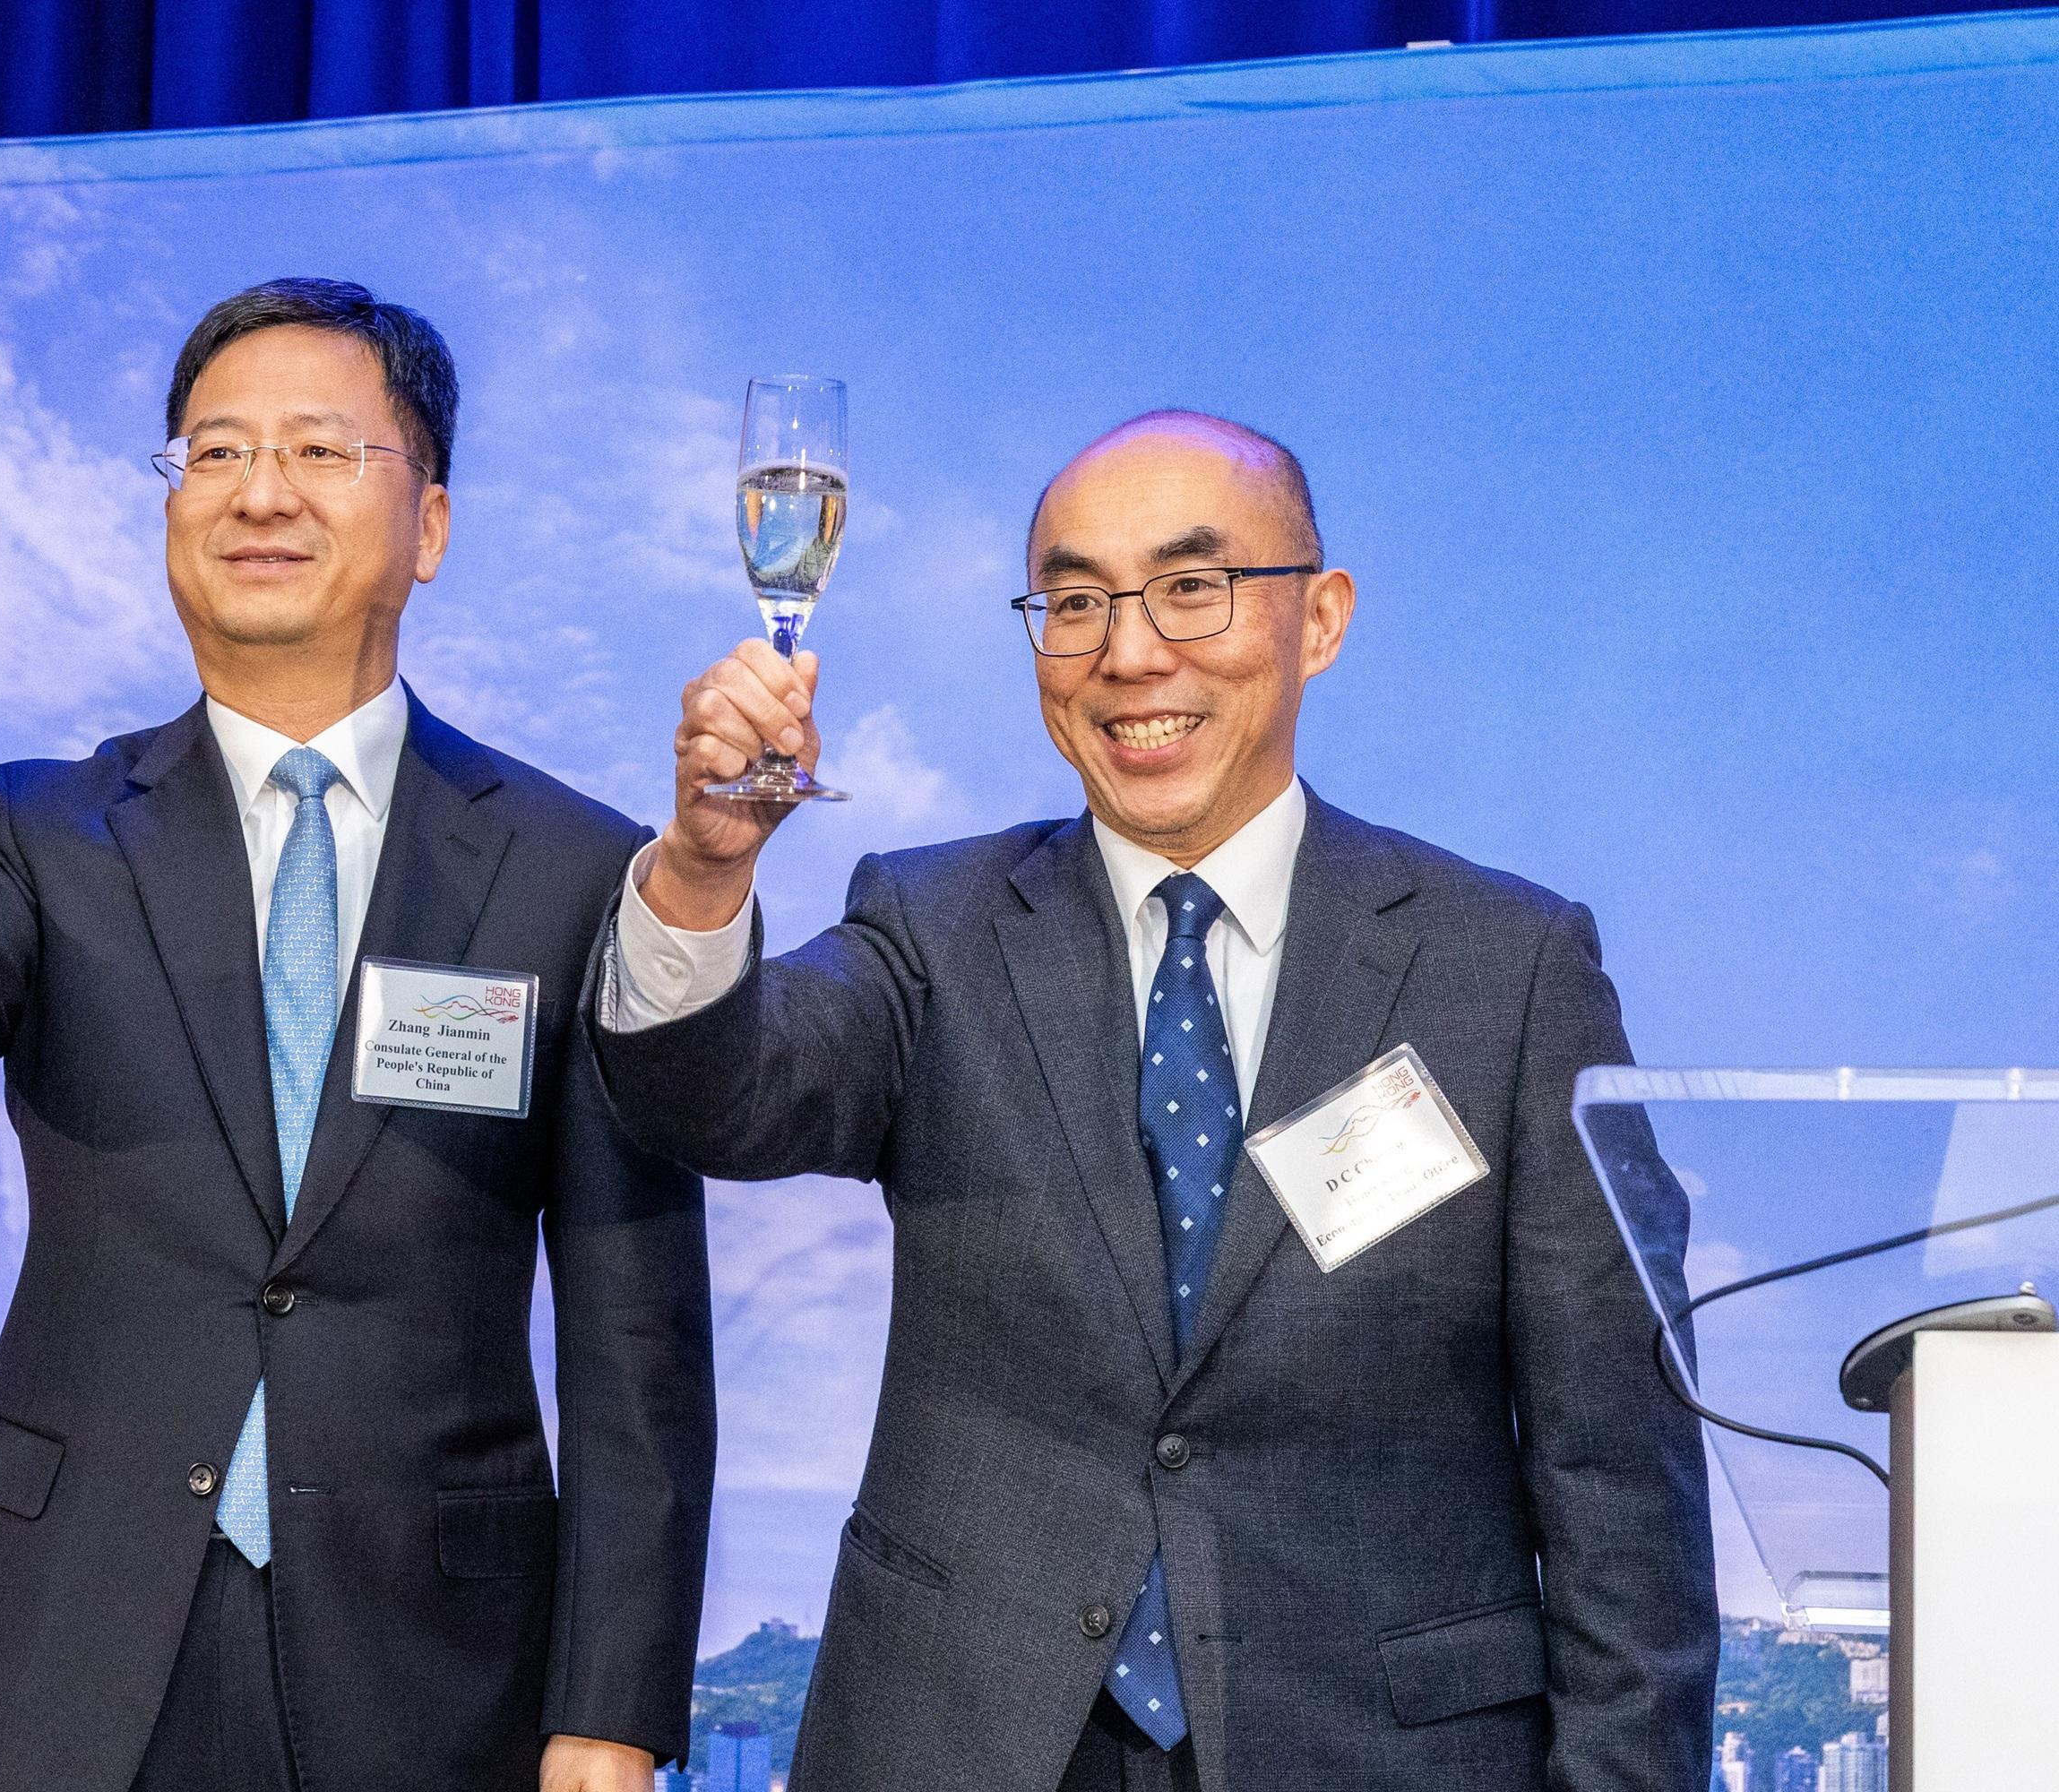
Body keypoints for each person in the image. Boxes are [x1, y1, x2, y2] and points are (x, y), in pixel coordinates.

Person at [590, 410, 1717, 1789]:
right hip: (967, 1739)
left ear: (1322, 619)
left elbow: (1621, 1476)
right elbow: (719, 1097)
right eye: (1074, 603)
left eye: (1192, 587)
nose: (1129, 653)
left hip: (1376, 1752)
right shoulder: (934, 927)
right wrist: (704, 875)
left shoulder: (1511, 970)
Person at [0, 279, 714, 1792]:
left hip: (435, 1667)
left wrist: (613, 1705)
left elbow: (634, 1329)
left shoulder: (575, 866)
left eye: (321, 452)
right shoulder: (45, 825)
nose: (258, 491)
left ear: (433, 527)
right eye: (212, 453)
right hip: (49, 1645)